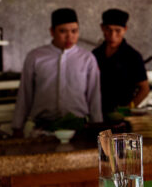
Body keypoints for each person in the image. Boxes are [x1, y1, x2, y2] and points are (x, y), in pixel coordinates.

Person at [12, 8, 102, 137]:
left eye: (74, 31)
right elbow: (25, 94)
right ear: (52, 31)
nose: (69, 36)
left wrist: (97, 126)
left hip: (79, 129)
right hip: (43, 129)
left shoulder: (87, 58)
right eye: (63, 31)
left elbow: (94, 97)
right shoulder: (35, 57)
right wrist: (17, 126)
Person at [92, 8, 149, 118]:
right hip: (98, 115)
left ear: (125, 29)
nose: (113, 35)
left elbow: (144, 89)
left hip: (123, 117)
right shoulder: (95, 55)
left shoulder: (133, 56)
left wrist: (128, 109)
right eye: (108, 30)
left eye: (118, 30)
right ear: (102, 28)